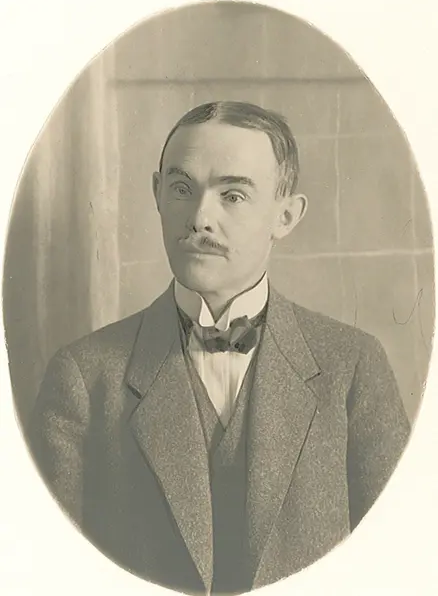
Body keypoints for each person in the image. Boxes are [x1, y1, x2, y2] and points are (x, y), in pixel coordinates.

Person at [27, 101, 411, 595]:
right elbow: (50, 575)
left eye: (233, 195)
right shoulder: (84, 377)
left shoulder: (352, 367)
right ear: (157, 194)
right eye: (182, 189)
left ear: (285, 216)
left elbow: (400, 564)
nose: (200, 218)